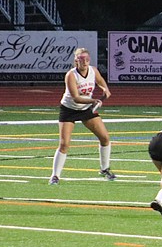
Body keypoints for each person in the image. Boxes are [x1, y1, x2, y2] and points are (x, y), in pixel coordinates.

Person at [49, 47, 115, 184]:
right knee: (64, 144)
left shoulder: (93, 70)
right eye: (81, 59)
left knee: (105, 138)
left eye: (86, 59)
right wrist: (94, 101)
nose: (84, 62)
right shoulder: (71, 75)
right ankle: (55, 176)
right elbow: (76, 98)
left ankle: (104, 169)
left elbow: (100, 80)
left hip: (86, 109)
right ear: (76, 61)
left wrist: (105, 88)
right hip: (69, 110)